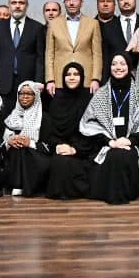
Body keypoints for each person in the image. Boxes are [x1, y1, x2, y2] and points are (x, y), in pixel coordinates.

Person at [79, 52, 139, 204]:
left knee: (121, 155)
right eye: (114, 64)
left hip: (130, 145)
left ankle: (119, 196)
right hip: (105, 145)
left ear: (129, 67)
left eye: (122, 64)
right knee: (113, 155)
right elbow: (89, 124)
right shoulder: (100, 95)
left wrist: (129, 141)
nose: (118, 67)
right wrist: (109, 142)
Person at [42, 62, 95, 200]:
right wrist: (59, 145)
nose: (72, 78)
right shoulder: (56, 100)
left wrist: (75, 149)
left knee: (71, 163)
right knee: (60, 162)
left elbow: (93, 130)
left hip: (83, 149)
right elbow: (51, 130)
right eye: (68, 74)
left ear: (82, 77)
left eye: (76, 74)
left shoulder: (89, 98)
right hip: (60, 146)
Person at [0, 0, 44, 100]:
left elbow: (40, 58)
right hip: (2, 83)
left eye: (21, 3)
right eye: (14, 3)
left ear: (27, 5)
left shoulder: (37, 27)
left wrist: (38, 81)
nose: (17, 6)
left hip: (28, 83)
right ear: (9, 5)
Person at [46, 0, 103, 91]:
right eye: (68, 0)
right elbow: (49, 54)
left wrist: (95, 79)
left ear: (81, 2)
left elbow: (97, 54)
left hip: (86, 81)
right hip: (60, 81)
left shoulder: (93, 24)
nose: (71, 3)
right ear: (64, 3)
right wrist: (50, 80)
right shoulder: (53, 24)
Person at [0, 79, 50, 197]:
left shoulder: (44, 118)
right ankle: (17, 184)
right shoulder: (11, 117)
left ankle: (23, 186)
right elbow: (0, 144)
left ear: (36, 96)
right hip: (13, 158)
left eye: (29, 94)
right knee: (17, 147)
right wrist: (9, 142)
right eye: (21, 93)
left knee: (23, 148)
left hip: (36, 158)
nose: (24, 97)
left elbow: (49, 147)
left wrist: (30, 143)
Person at [102, 0, 139, 68]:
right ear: (117, 3)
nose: (126, 1)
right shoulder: (107, 27)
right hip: (117, 75)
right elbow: (106, 59)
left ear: (135, 0)